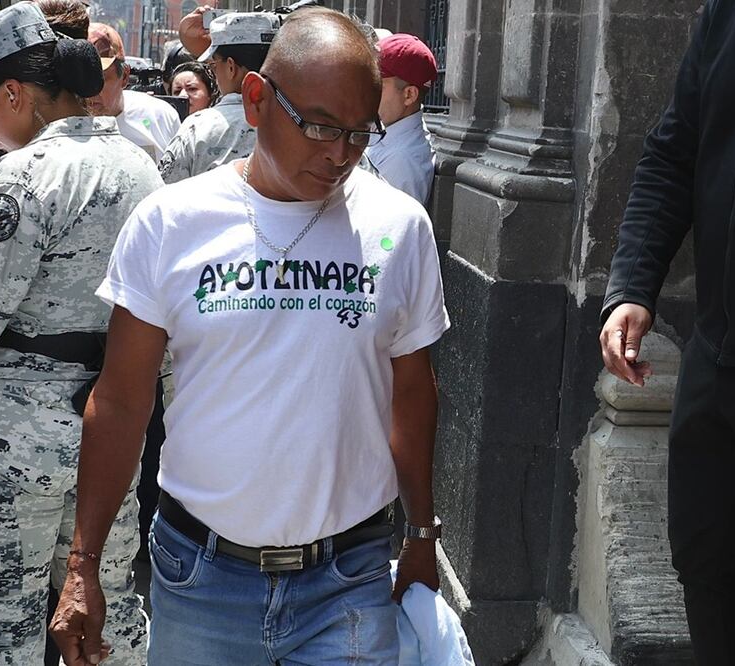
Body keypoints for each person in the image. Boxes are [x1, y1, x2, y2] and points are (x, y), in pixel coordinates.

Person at [51, 8, 449, 664]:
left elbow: (411, 389)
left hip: (348, 582)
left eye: (358, 132)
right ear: (259, 100)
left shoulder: (399, 227)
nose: (341, 154)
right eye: (320, 127)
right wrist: (82, 564)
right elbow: (121, 402)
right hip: (199, 579)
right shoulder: (170, 224)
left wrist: (421, 535)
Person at [0, 4, 162, 663]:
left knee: (4, 626)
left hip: (8, 436)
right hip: (108, 421)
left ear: (13, 93)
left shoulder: (23, 172)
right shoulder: (140, 164)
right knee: (108, 615)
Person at [599, 1, 735, 664]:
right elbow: (671, 154)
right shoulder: (730, 14)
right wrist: (630, 288)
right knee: (702, 558)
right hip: (716, 351)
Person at [159, 11, 278, 184]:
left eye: (214, 65)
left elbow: (164, 190)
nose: (214, 74)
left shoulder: (197, 127)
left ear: (231, 67)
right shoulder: (298, 120)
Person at [87, 21, 181, 160]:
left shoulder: (160, 116)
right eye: (83, 77)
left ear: (124, 76)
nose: (91, 90)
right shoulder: (61, 125)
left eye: (101, 79)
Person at [365, 33, 437, 206]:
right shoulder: (391, 126)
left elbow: (388, 231)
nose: (368, 92)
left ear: (409, 95)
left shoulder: (403, 161)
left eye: (378, 85)